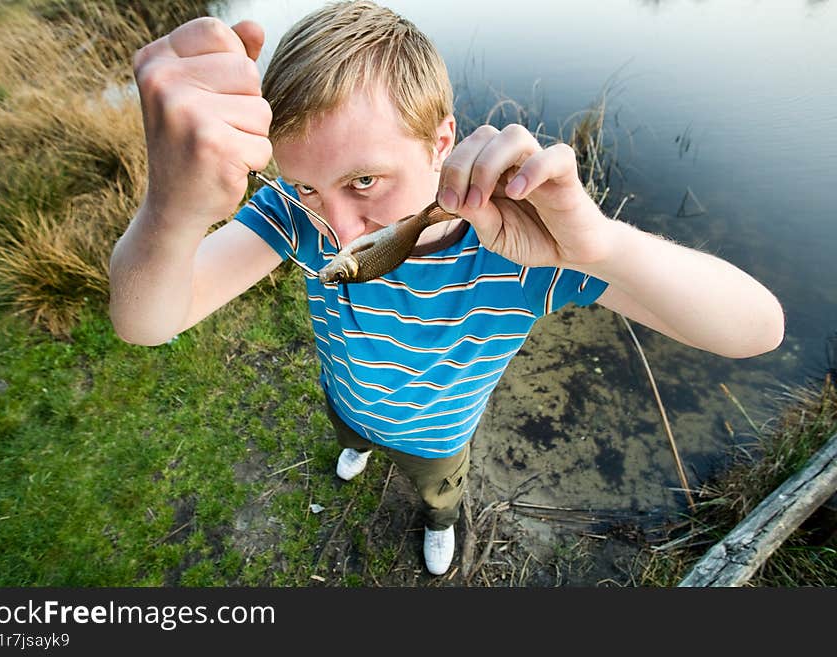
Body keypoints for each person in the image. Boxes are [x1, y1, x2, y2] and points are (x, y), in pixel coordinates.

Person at [109, 1, 785, 577]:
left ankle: (438, 519)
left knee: (437, 491)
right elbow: (145, 321)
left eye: (365, 180)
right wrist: (172, 206)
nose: (338, 226)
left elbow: (756, 329)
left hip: (439, 433)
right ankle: (358, 445)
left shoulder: (523, 251)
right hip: (348, 398)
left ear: (442, 143)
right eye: (307, 183)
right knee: (352, 432)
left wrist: (601, 244)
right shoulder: (291, 216)